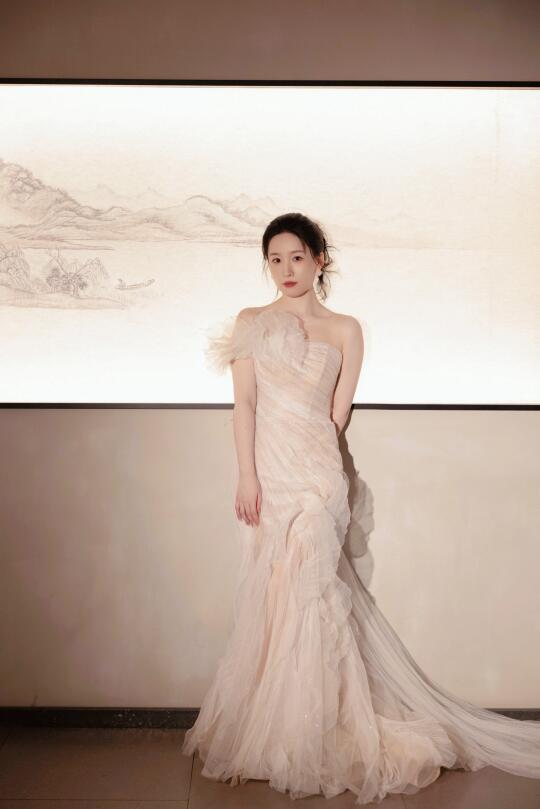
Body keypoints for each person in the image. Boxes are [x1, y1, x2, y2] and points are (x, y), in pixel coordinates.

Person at [182, 212, 540, 805]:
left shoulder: (346, 329)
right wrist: (247, 475)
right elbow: (243, 405)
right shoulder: (251, 322)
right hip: (270, 476)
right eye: (275, 259)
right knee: (276, 596)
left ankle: (314, 734)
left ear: (319, 259)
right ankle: (282, 733)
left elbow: (338, 415)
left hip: (317, 475)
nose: (286, 270)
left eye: (297, 257)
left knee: (311, 593)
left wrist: (315, 465)